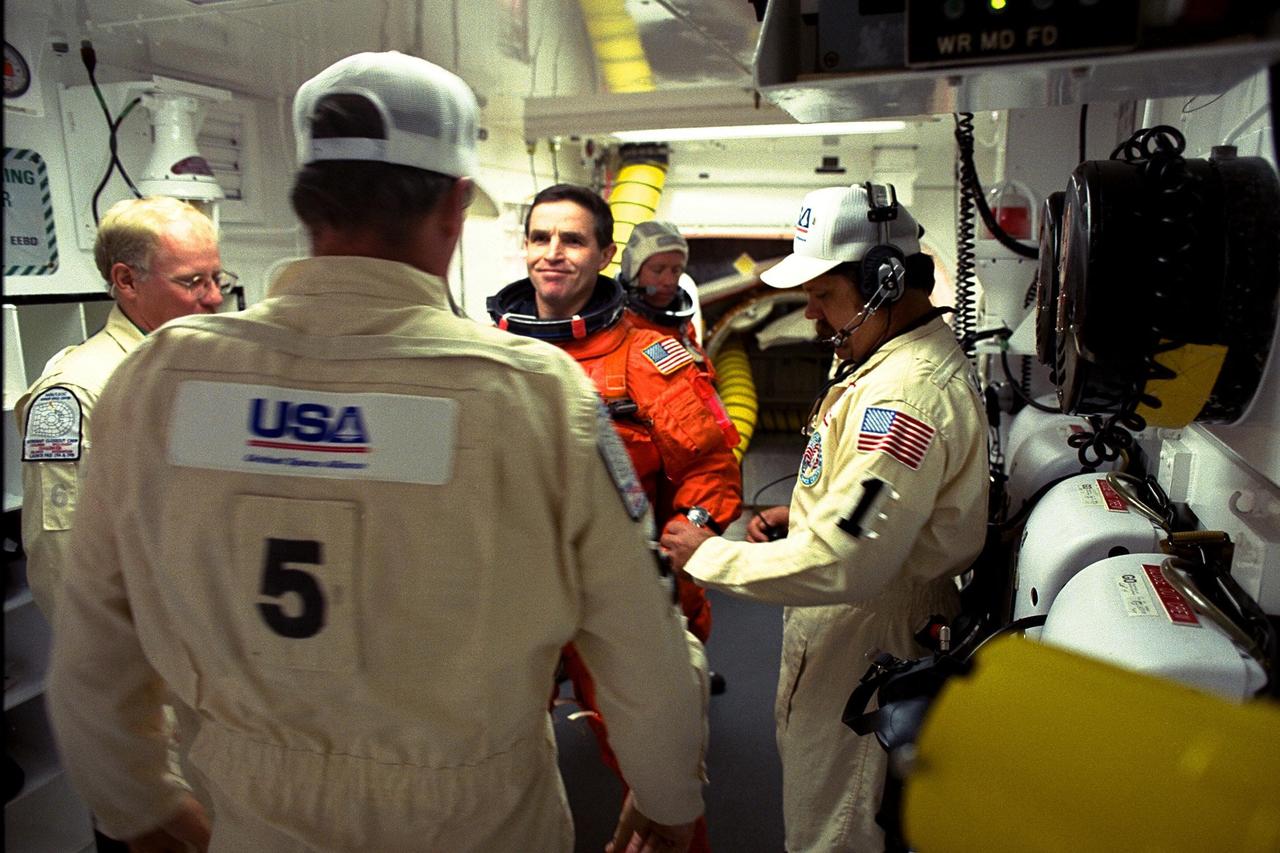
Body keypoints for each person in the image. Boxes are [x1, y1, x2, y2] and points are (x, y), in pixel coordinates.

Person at [48, 51, 707, 853]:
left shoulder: (157, 383)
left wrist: (140, 805)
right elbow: (643, 640)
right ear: (456, 201)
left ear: (308, 199)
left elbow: (89, 655)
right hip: (478, 821)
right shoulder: (535, 397)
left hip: (249, 816)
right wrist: (667, 793)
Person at [662, 182, 990, 852]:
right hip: (849, 622)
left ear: (883, 282)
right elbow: (870, 498)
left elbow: (847, 560)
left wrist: (705, 553)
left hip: (868, 632)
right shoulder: (883, 364)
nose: (812, 314)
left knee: (835, 828)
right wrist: (806, 511)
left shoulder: (905, 393)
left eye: (824, 296)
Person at [488, 184, 741, 852]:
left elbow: (711, 466)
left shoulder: (651, 357)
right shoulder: (485, 355)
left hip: (617, 590)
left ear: (602, 254)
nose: (552, 254)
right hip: (510, 594)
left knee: (659, 777)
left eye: (572, 240)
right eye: (540, 238)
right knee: (489, 761)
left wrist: (687, 530)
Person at [16, 196, 228, 622]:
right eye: (193, 282)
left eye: (217, 277)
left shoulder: (197, 365)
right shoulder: (74, 392)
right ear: (127, 281)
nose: (215, 298)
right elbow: (61, 553)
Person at [617, 219, 712, 375]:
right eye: (657, 270)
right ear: (633, 271)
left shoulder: (681, 324)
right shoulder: (620, 329)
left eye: (676, 270)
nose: (669, 281)